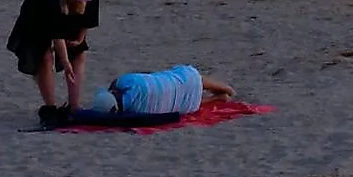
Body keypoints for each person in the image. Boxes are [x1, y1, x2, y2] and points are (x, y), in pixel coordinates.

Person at [6, 0, 100, 126]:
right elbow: (57, 36)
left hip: (62, 12)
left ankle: (74, 106)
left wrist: (80, 39)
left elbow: (88, 19)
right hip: (35, 15)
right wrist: (65, 62)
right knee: (45, 56)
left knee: (79, 52)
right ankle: (50, 108)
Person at [79, 64, 237, 118]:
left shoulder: (135, 111)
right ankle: (226, 88)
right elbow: (115, 82)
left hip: (184, 107)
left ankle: (218, 99)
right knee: (190, 77)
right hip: (184, 80)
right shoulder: (129, 82)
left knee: (183, 102)